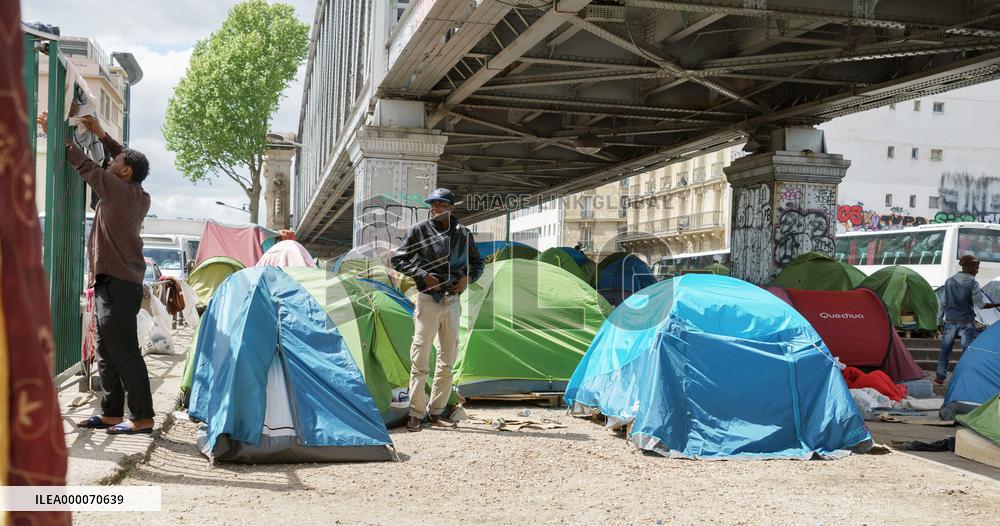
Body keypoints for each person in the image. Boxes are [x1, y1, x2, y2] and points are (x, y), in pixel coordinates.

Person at [38, 111, 155, 434]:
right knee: (106, 350)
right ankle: (111, 412)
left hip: (118, 283)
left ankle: (143, 416)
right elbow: (124, 157)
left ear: (125, 172)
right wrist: (102, 134)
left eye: (114, 161)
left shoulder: (119, 191)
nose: (110, 162)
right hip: (112, 281)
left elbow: (86, 165)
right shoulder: (133, 191)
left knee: (124, 351)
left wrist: (58, 135)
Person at [391, 188, 483, 432]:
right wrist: (422, 274)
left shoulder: (463, 233)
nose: (437, 208)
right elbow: (398, 259)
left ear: (451, 207)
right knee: (420, 356)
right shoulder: (418, 231)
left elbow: (478, 262)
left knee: (448, 358)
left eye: (442, 204)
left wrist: (468, 279)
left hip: (453, 301)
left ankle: (437, 412)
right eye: (434, 204)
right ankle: (415, 413)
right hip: (428, 300)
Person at [936, 254, 1000, 385]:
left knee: (945, 351)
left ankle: (940, 377)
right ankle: (967, 377)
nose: (977, 270)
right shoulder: (973, 284)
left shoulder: (949, 281)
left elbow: (942, 303)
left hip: (950, 322)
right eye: (976, 268)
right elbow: (981, 305)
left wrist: (939, 321)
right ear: (968, 267)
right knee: (968, 352)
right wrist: (997, 304)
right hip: (967, 323)